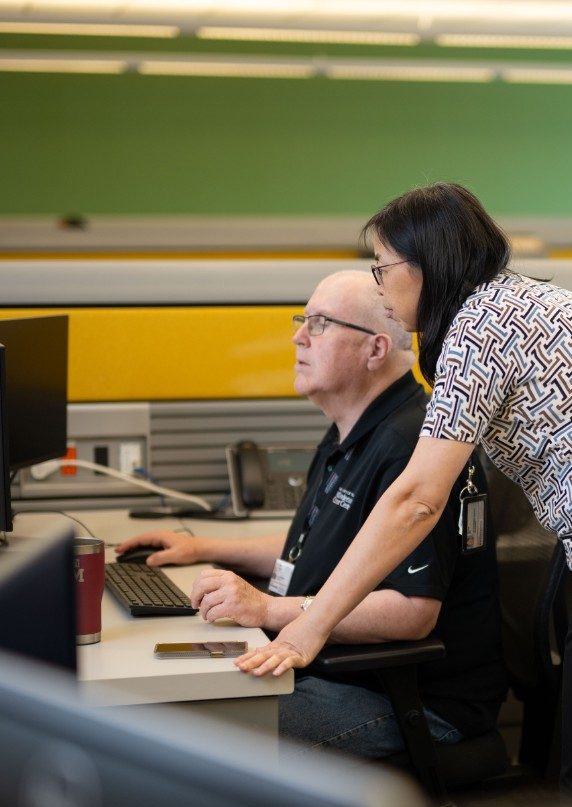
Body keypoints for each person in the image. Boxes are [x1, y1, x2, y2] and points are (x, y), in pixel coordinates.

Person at [236, 182, 572, 804]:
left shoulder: (474, 332)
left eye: (383, 267)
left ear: (424, 265)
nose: (379, 284)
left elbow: (417, 500)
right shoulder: (540, 299)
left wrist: (311, 627)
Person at [117, 270, 505, 759]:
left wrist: (266, 610)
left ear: (376, 350)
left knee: (184, 725)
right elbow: (321, 541)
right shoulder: (354, 427)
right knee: (169, 705)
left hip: (408, 701)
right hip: (338, 671)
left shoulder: (412, 446)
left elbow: (412, 613)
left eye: (320, 323)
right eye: (304, 320)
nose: (299, 336)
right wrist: (204, 549)